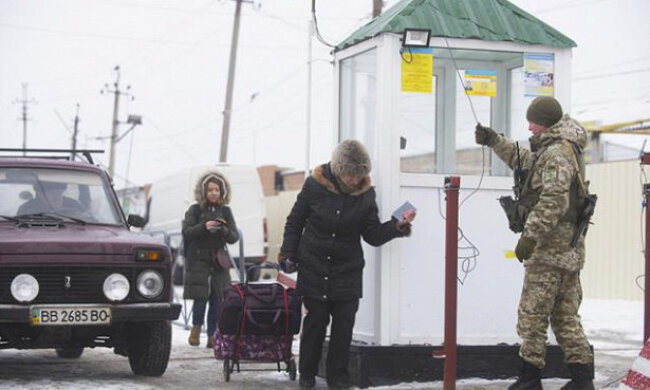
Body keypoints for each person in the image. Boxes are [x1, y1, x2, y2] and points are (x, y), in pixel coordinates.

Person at [475, 96, 594, 390]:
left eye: (533, 122)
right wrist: (494, 140)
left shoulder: (556, 154)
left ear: (546, 123)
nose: (529, 127)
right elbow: (523, 159)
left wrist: (530, 236)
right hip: (568, 250)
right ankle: (582, 381)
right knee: (566, 316)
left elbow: (554, 200)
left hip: (550, 251)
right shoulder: (561, 148)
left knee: (532, 315)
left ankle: (529, 380)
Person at [278, 139, 416, 390]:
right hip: (314, 266)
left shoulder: (365, 195)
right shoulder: (314, 185)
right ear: (338, 168)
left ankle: (338, 379)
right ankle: (307, 373)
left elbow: (371, 234)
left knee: (343, 327)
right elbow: (295, 222)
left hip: (347, 271)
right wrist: (288, 254)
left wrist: (397, 225)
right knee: (316, 322)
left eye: (358, 175)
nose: (353, 180)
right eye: (349, 174)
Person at [182, 170, 239, 348]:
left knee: (217, 299)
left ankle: (212, 335)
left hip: (218, 262)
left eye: (217, 190)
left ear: (222, 192)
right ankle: (196, 330)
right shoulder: (195, 210)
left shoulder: (226, 211)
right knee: (200, 297)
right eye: (210, 190)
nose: (214, 193)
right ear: (204, 192)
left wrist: (223, 230)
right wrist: (204, 226)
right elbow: (187, 232)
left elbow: (234, 236)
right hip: (198, 260)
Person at [17, 181, 84, 216]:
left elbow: (86, 221)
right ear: (40, 194)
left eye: (59, 193)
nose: (57, 198)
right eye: (51, 194)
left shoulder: (74, 206)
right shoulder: (27, 209)